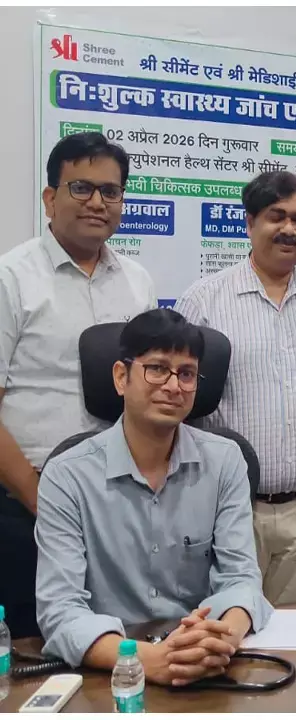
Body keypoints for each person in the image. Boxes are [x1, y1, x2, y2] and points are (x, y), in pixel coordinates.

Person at [34, 309, 272, 684]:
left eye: (187, 373)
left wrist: (220, 639)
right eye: (157, 369)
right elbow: (60, 610)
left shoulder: (225, 460)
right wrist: (146, 660)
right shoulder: (67, 476)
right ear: (121, 377)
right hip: (112, 674)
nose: (174, 386)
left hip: (206, 664)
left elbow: (241, 579)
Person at [174, 171, 296, 605]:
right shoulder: (204, 301)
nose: (289, 229)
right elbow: (175, 403)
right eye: (276, 216)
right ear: (250, 222)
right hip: (231, 511)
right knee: (230, 623)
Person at [0, 132, 156, 638]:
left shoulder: (137, 280)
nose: (97, 202)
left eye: (111, 191)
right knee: (36, 648)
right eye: (82, 188)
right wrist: (42, 501)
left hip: (121, 503)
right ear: (50, 198)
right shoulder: (11, 279)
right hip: (28, 502)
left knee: (121, 642)